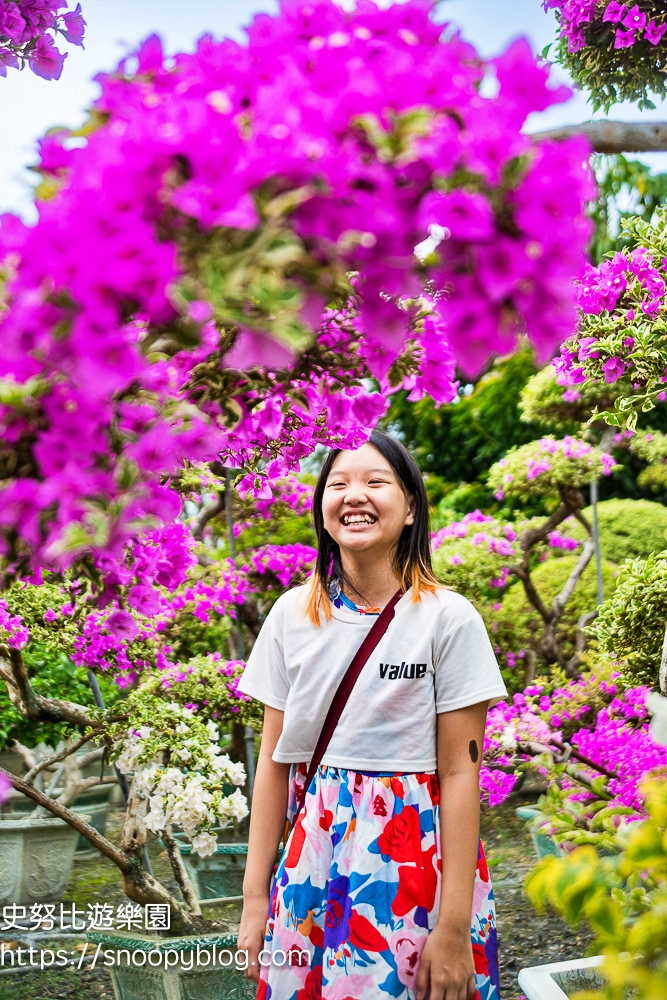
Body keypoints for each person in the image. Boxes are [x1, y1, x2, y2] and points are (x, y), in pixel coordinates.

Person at [237, 429, 507, 1000]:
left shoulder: (449, 620)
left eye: (375, 481)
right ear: (322, 509)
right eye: (338, 483)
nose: (354, 494)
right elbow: (272, 760)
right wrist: (255, 900)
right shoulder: (291, 615)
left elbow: (461, 774)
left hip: (414, 867)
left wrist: (454, 927)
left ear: (410, 508)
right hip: (310, 861)